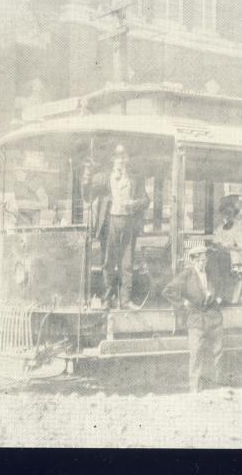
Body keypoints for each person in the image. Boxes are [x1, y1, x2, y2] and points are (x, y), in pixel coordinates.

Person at [81, 144, 150, 309]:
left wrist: (135, 204)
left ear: (127, 159)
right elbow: (87, 195)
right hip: (110, 222)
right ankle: (107, 299)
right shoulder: (104, 177)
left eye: (123, 157)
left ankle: (125, 301)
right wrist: (87, 174)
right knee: (108, 262)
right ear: (112, 159)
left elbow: (146, 200)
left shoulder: (135, 179)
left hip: (128, 223)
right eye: (117, 157)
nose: (121, 160)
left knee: (127, 263)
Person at [163, 244, 223, 393]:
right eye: (200, 261)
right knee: (196, 353)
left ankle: (216, 385)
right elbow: (168, 291)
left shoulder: (211, 273)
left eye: (205, 260)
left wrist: (219, 297)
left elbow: (223, 285)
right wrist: (183, 303)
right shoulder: (187, 274)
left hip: (213, 318)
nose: (203, 264)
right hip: (196, 320)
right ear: (193, 261)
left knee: (218, 352)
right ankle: (194, 387)